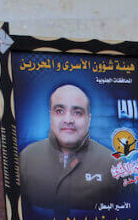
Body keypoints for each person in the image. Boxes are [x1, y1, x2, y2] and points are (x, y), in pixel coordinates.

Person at [20, 83, 120, 211]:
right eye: (59, 111)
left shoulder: (113, 164)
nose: (68, 120)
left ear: (88, 120)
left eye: (77, 113)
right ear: (50, 116)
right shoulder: (27, 158)